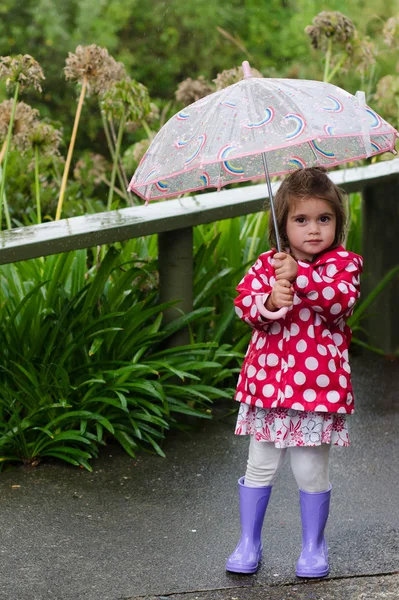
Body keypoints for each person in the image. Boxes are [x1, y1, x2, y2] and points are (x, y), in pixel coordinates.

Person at [226, 166, 363, 578]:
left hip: (315, 393)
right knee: (260, 465)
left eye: (324, 218)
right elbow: (243, 306)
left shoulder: (343, 265)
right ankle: (249, 541)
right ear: (282, 224)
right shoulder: (269, 264)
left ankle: (313, 546)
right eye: (301, 219)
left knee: (309, 469)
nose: (314, 229)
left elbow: (340, 302)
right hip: (268, 390)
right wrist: (270, 298)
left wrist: (300, 277)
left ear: (337, 222)